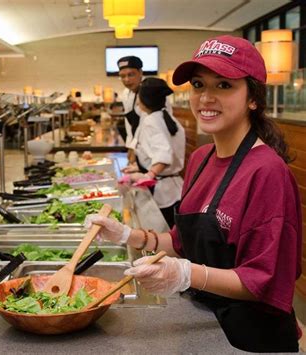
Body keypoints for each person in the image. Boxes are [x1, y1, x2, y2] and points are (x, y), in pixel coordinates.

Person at [86, 35, 301, 352]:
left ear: (253, 98)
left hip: (251, 336)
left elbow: (261, 280)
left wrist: (186, 274)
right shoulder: (201, 159)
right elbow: (179, 242)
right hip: (204, 322)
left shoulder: (267, 172)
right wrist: (128, 235)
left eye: (223, 85)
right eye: (199, 85)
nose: (206, 97)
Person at [123, 78, 185, 227]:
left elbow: (164, 154)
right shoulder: (167, 117)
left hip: (163, 191)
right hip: (174, 187)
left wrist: (148, 175)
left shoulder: (151, 120)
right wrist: (140, 167)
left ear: (143, 100)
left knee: (166, 231)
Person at [117, 56, 144, 165]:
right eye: (122, 76)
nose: (126, 80)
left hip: (152, 147)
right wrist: (129, 145)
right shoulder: (125, 93)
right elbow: (129, 123)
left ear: (140, 72)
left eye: (131, 74)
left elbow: (145, 124)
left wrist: (133, 147)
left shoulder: (150, 91)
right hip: (136, 145)